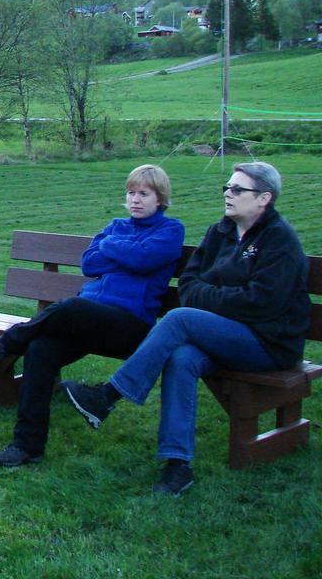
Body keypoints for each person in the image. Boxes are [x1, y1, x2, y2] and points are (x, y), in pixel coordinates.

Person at [62, 161, 310, 495]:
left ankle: (108, 395)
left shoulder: (280, 242)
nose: (228, 194)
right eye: (227, 187)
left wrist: (209, 299)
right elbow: (190, 284)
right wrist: (218, 298)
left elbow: (261, 302)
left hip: (267, 342)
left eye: (238, 189)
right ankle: (178, 466)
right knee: (181, 358)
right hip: (221, 334)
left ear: (264, 198)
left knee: (179, 319)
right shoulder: (219, 232)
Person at [0, 164, 185, 469]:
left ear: (160, 199)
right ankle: (27, 445)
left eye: (144, 193)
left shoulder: (169, 230)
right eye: (131, 193)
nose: (135, 199)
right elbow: (89, 263)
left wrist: (112, 247)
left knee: (70, 307)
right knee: (40, 349)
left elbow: (143, 260)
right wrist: (124, 250)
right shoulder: (116, 225)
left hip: (130, 326)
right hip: (90, 318)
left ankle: (10, 341)